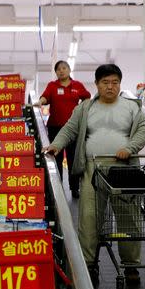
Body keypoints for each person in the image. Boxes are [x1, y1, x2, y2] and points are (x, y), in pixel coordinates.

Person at [44, 63, 145, 286]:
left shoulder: (132, 108)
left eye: (115, 82)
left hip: (124, 169)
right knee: (89, 217)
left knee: (128, 218)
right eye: (105, 82)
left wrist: (129, 149)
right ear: (97, 85)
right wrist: (55, 145)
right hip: (93, 169)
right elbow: (70, 129)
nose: (110, 87)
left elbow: (142, 131)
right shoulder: (85, 108)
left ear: (120, 84)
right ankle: (89, 264)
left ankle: (131, 265)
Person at [34, 60, 91, 198]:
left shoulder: (77, 85)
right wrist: (40, 102)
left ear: (69, 69)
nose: (61, 71)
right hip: (55, 128)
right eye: (58, 69)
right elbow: (45, 96)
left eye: (64, 68)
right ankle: (57, 187)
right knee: (56, 158)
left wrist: (82, 111)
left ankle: (74, 188)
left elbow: (87, 97)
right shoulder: (52, 86)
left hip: (73, 129)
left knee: (73, 159)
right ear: (56, 72)